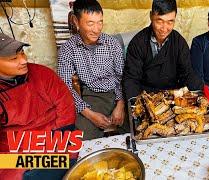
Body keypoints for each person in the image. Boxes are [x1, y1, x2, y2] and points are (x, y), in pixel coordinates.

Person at [0, 33, 76, 179]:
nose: (23, 60)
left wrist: (55, 141)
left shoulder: (42, 73)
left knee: (66, 160)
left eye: (22, 53)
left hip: (54, 137)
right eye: (13, 58)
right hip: (15, 148)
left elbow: (66, 105)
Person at [57, 0, 126, 140]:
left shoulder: (112, 43)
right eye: (90, 23)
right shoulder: (68, 49)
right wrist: (90, 114)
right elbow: (66, 88)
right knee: (80, 138)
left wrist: (121, 104)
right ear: (76, 21)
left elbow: (123, 77)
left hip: (119, 91)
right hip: (94, 96)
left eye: (100, 22)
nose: (97, 29)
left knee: (138, 127)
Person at [123, 0, 203, 100]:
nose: (164, 28)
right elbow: (131, 79)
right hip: (145, 97)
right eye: (159, 21)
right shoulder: (138, 43)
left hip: (172, 97)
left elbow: (187, 74)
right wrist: (135, 104)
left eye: (170, 22)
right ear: (151, 16)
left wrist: (203, 92)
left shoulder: (179, 42)